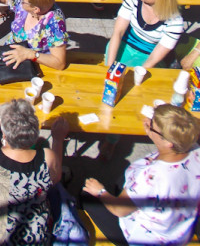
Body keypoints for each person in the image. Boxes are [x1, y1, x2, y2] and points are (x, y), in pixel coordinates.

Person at [82, 104, 200, 246]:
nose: (148, 123)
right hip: (178, 230)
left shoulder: (151, 177)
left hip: (148, 237)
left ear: (169, 143)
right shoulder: (195, 150)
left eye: (152, 125)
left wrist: (100, 191)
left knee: (87, 195)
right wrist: (153, 133)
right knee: (120, 182)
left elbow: (119, 210)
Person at [0, 101, 70, 246]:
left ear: (4, 135)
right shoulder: (48, 157)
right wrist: (58, 140)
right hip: (31, 237)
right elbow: (56, 178)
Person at [105, 0, 183, 68]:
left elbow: (154, 58)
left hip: (148, 55)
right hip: (123, 45)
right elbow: (118, 32)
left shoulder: (175, 22)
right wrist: (109, 67)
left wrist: (141, 72)